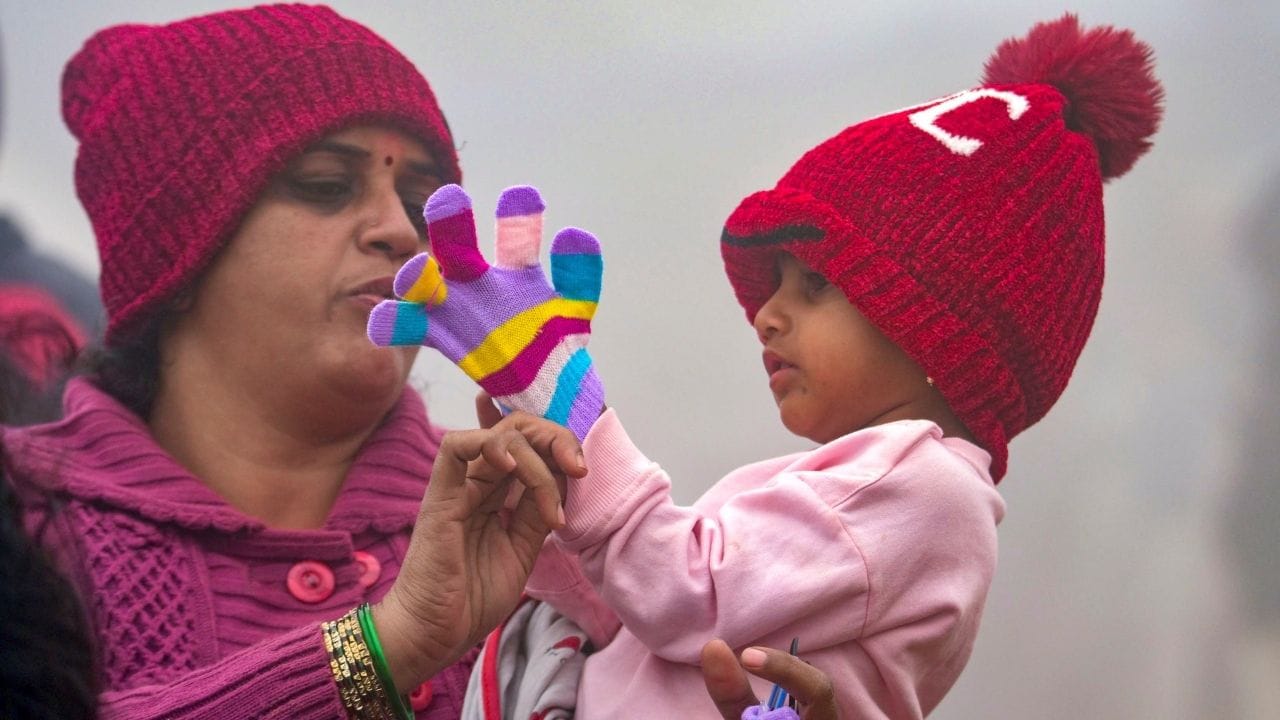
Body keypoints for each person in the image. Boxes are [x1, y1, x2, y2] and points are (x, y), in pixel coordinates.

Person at [372, 13, 1163, 718]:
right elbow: (658, 621)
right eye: (775, 283)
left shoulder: (925, 489)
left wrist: (567, 399)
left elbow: (688, 594)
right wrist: (546, 502)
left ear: (940, 334)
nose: (768, 313)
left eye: (815, 284)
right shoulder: (858, 490)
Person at [0, 5, 586, 719]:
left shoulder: (531, 526)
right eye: (325, 185)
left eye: (419, 199)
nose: (400, 231)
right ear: (175, 258)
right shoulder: (23, 526)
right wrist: (376, 651)